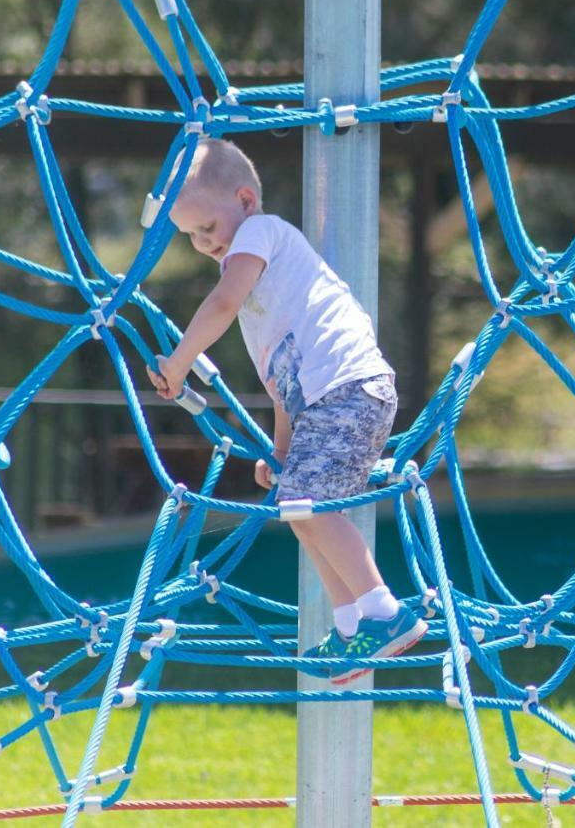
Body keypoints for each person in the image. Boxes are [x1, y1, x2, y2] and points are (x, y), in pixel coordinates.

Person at [146, 138, 424, 682]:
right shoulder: (262, 299)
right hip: (324, 401)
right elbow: (282, 387)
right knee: (298, 512)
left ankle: (384, 612)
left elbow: (221, 304)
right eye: (192, 238)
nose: (204, 245)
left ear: (246, 200)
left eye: (207, 228)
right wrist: (282, 450)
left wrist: (179, 362)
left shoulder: (261, 234)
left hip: (350, 388)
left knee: (309, 503)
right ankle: (350, 627)